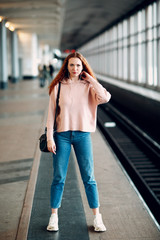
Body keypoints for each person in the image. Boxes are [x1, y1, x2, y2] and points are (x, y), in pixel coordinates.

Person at [46, 52, 111, 232]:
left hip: (83, 136)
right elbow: (51, 114)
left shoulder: (88, 86)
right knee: (58, 177)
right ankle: (54, 217)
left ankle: (97, 218)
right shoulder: (58, 86)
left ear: (83, 68)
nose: (75, 69)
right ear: (66, 66)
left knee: (89, 178)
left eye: (78, 66)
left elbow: (105, 97)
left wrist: (91, 79)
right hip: (62, 136)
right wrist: (50, 138)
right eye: (72, 65)